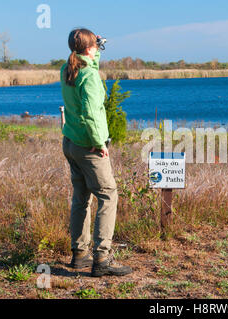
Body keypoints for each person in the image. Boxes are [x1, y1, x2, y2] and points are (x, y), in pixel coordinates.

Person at [60, 28, 132, 277]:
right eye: (96, 47)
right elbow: (90, 114)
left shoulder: (68, 68)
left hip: (71, 142)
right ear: (89, 49)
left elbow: (89, 65)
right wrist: (99, 143)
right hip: (88, 146)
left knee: (81, 198)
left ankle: (79, 254)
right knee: (108, 195)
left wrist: (96, 49)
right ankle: (102, 259)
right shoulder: (89, 77)